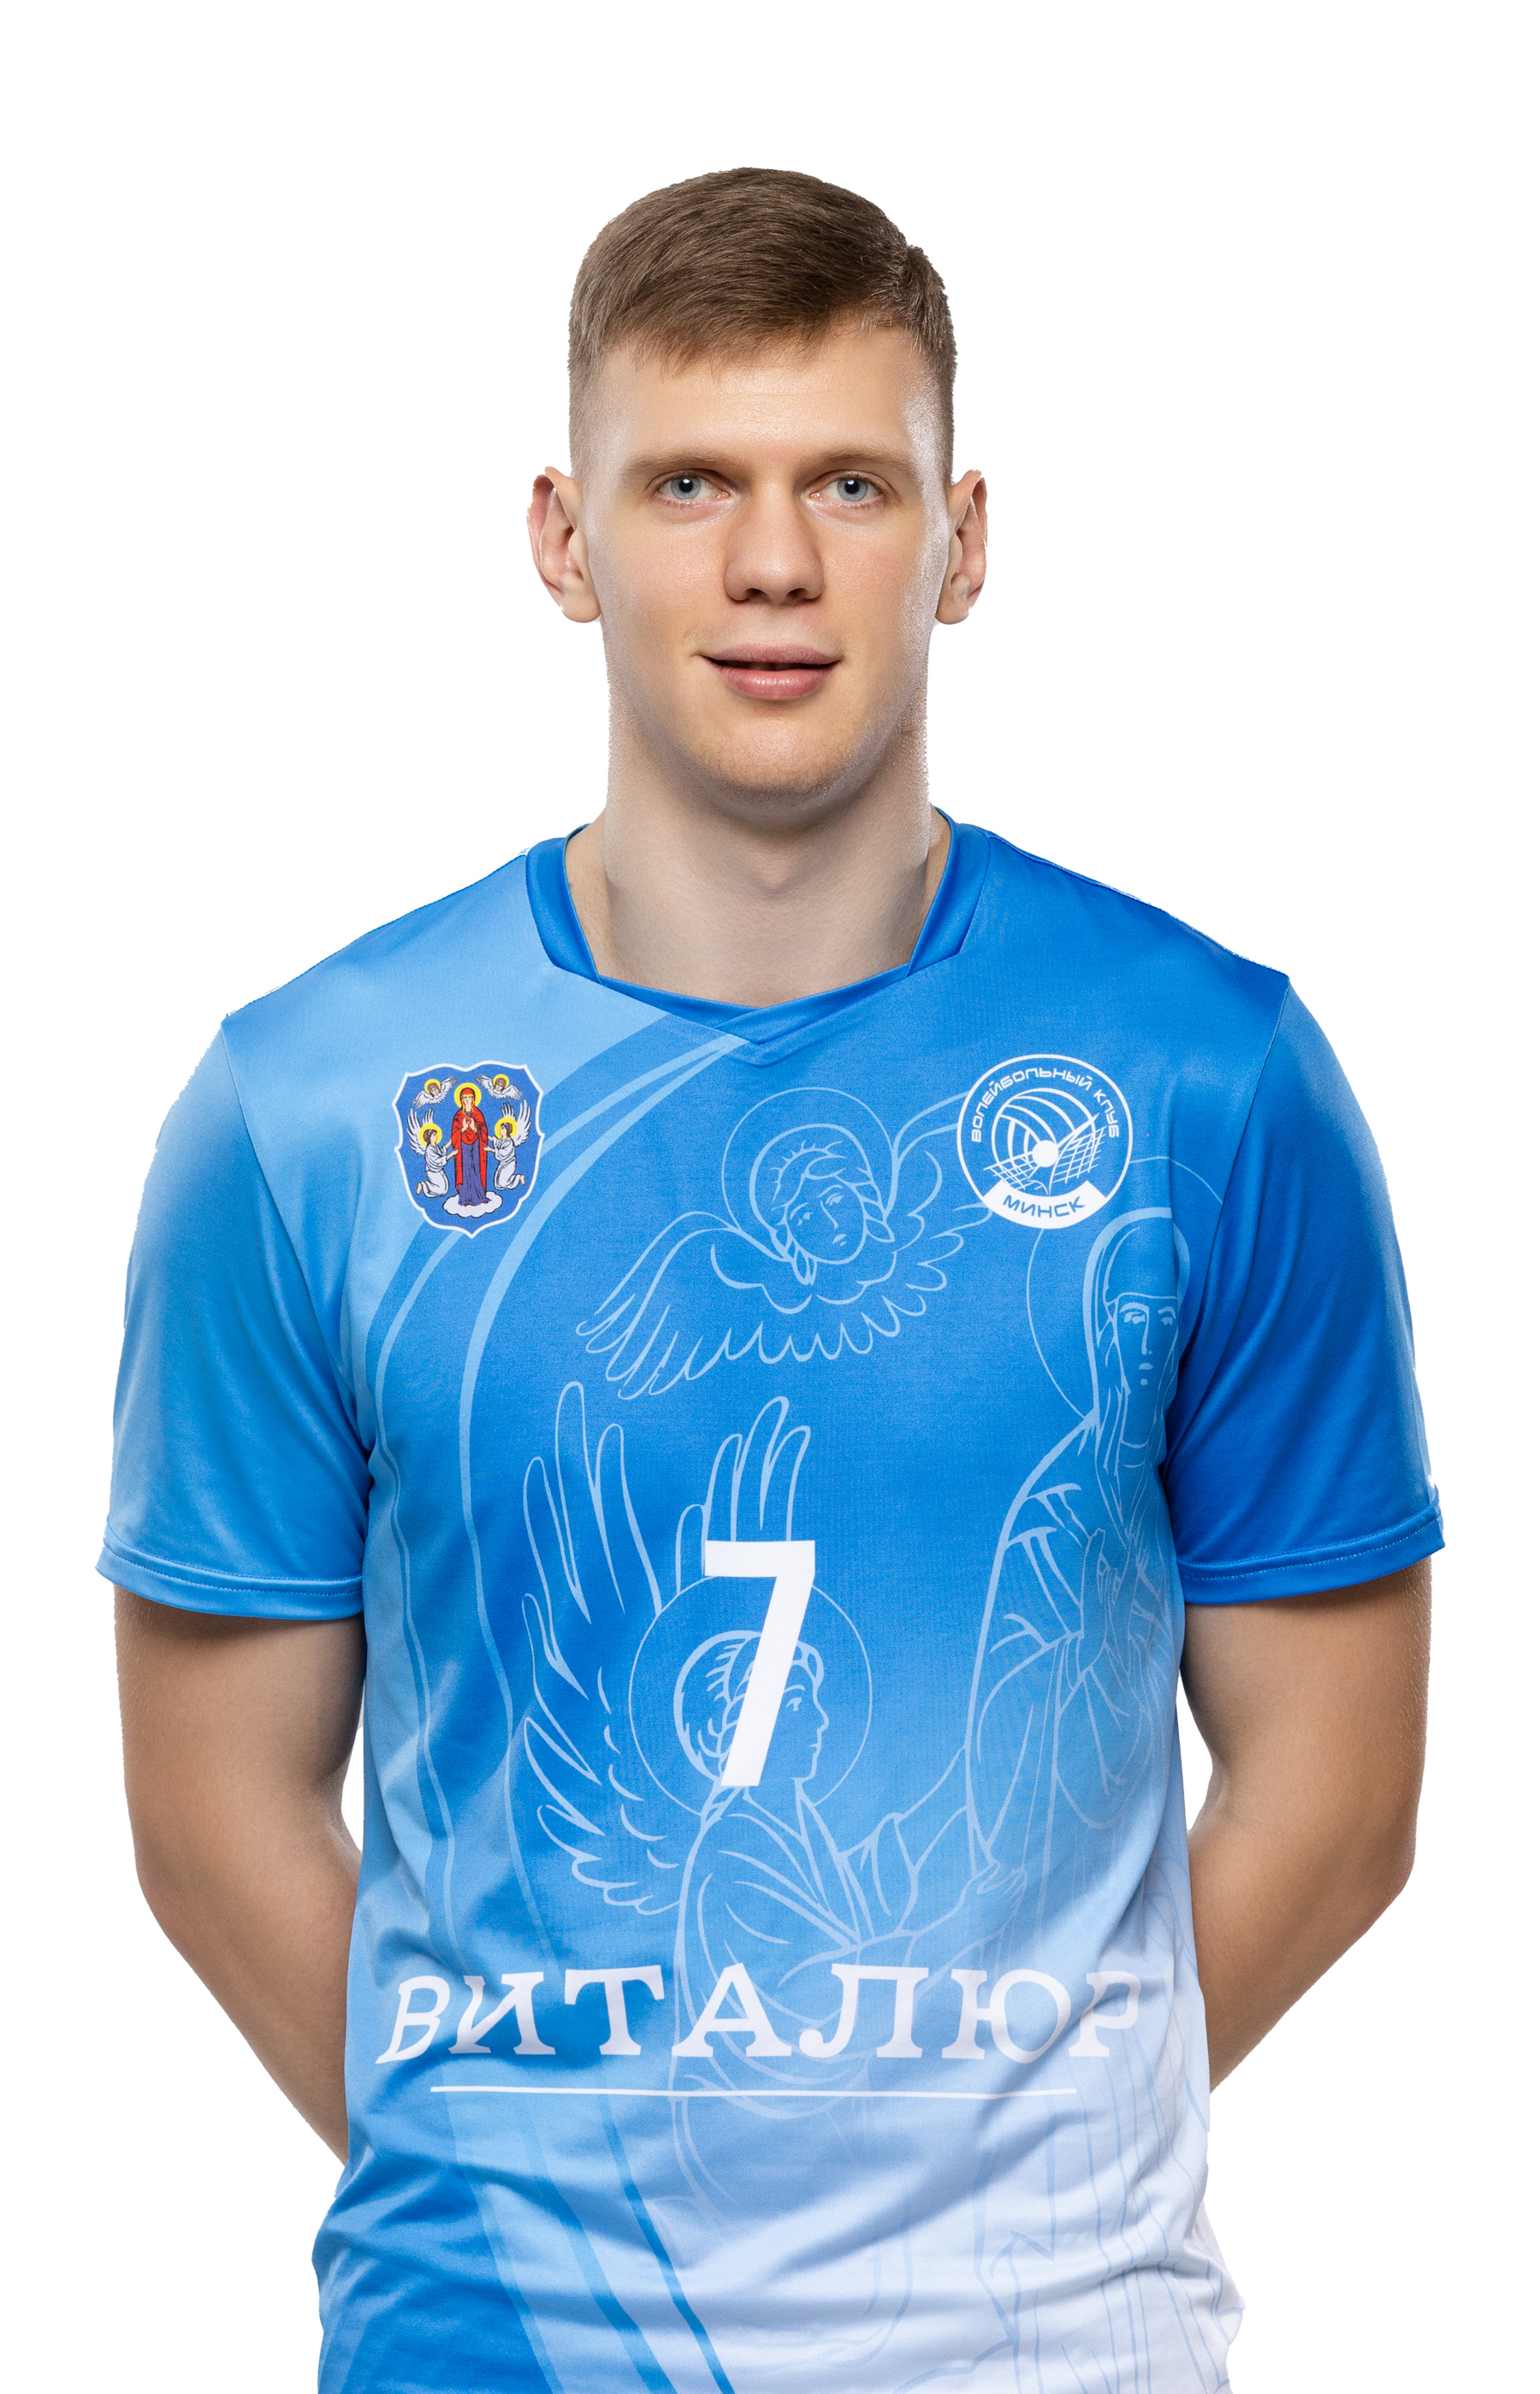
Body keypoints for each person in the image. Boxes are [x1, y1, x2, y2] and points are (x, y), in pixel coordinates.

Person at [104, 168, 1440, 2392]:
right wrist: (555, 2201)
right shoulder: (307, 1110)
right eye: (689, 483)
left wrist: (993, 2165)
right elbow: (209, 1811)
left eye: (850, 482)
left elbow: (1340, 1789)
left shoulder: (1209, 1079)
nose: (773, 565)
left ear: (963, 538)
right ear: (563, 538)